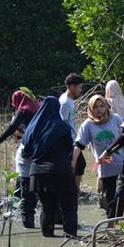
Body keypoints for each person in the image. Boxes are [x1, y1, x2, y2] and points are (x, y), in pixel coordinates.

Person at [22, 97, 78, 237]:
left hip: (38, 173)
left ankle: (47, 237)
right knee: (68, 208)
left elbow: (26, 151)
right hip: (61, 172)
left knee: (47, 209)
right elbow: (69, 149)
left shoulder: (32, 127)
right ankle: (70, 238)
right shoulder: (63, 127)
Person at [0, 89, 39, 227]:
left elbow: (12, 128)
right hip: (38, 150)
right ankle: (16, 198)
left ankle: (18, 205)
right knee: (24, 178)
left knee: (24, 177)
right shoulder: (37, 108)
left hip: (27, 150)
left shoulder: (23, 110)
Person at [72, 95, 124, 216]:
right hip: (105, 168)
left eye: (101, 106)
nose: (99, 109)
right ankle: (112, 224)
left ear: (106, 106)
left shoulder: (115, 119)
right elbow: (79, 145)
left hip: (122, 165)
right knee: (109, 199)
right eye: (95, 107)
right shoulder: (88, 125)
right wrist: (73, 162)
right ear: (90, 109)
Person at [60, 73, 85, 194]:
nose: (80, 90)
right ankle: (74, 191)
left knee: (80, 165)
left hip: (74, 139)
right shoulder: (64, 102)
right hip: (68, 141)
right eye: (79, 87)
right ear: (72, 86)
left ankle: (75, 190)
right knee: (78, 165)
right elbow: (61, 123)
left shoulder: (70, 100)